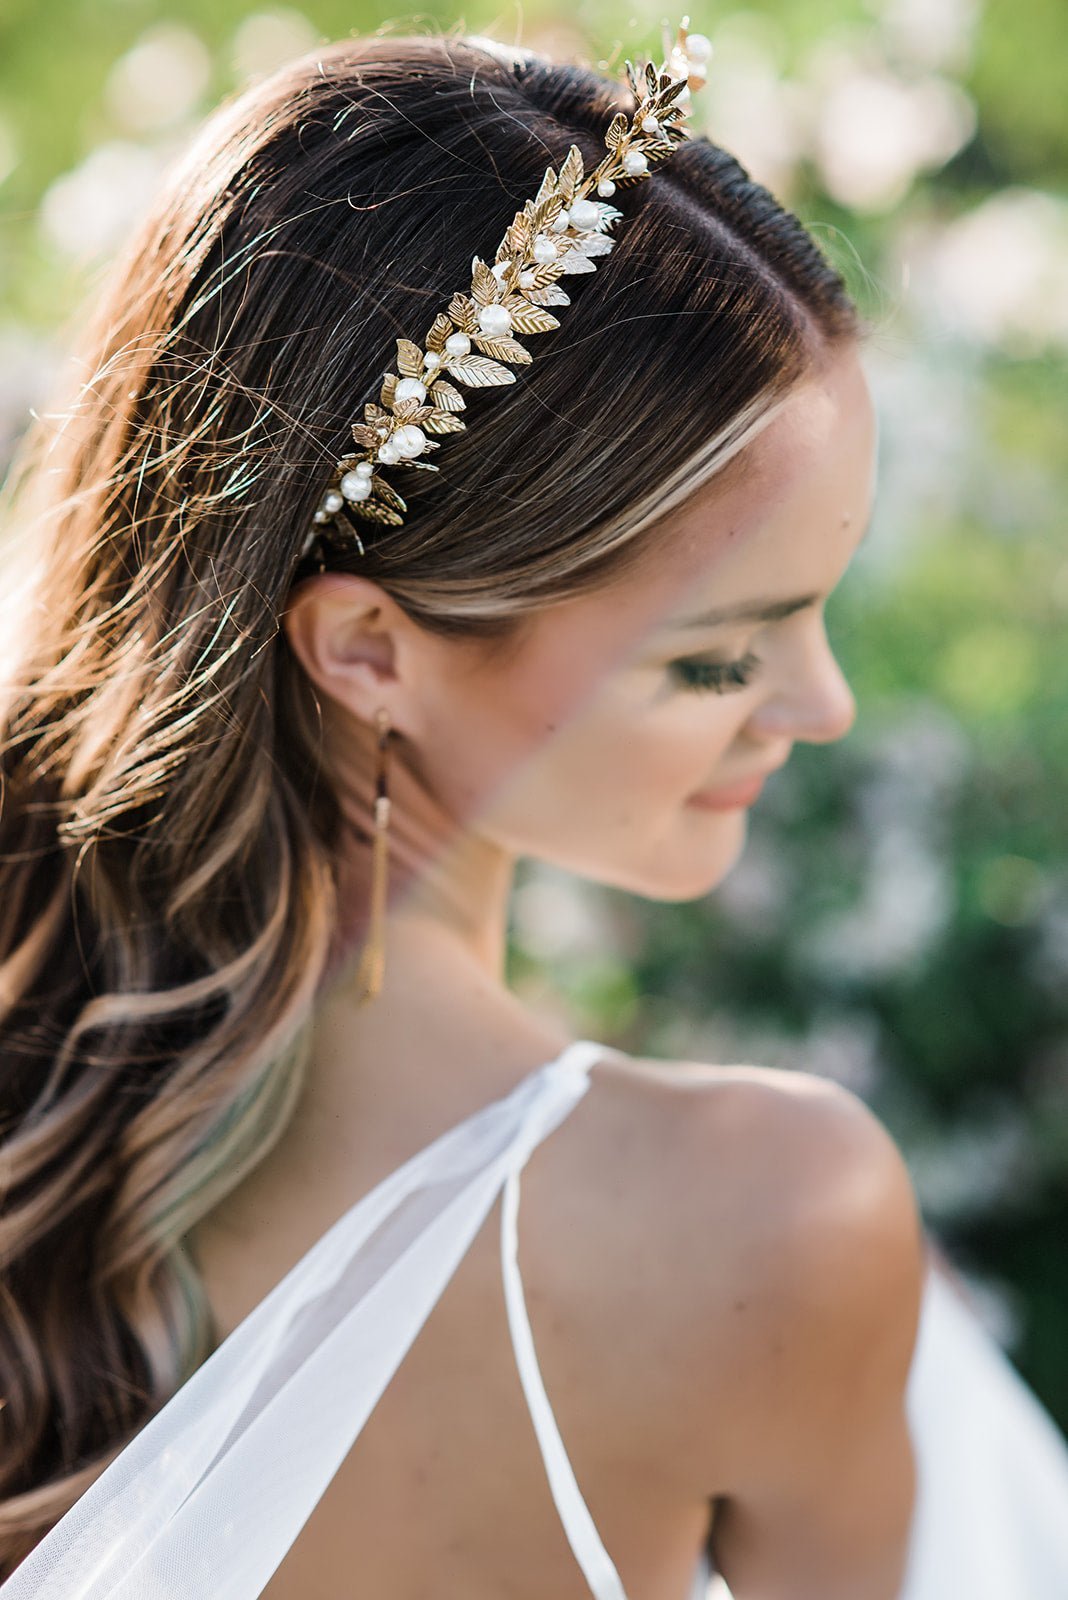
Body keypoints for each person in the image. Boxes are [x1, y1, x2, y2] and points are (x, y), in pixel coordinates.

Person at [1, 22, 1066, 1600]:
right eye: (715, 658)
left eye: (818, 610)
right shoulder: (757, 1217)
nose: (821, 707)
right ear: (370, 652)